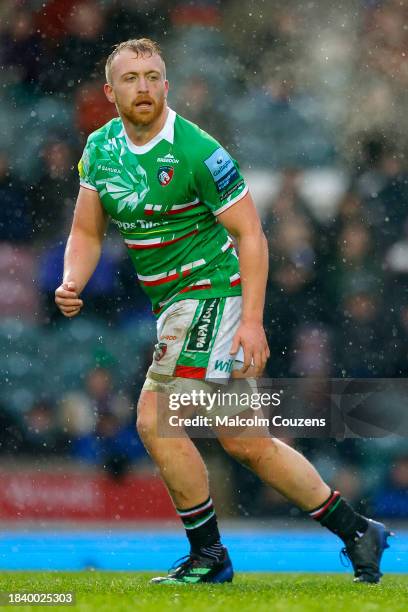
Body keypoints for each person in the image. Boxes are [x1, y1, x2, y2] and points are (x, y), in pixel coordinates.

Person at [55, 38, 392, 585]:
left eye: (154, 76)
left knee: (154, 419)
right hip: (172, 306)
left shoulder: (197, 150)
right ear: (110, 91)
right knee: (246, 442)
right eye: (132, 78)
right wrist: (73, 278)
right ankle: (357, 530)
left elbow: (252, 235)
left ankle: (209, 556)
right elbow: (87, 230)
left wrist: (253, 321)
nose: (144, 87)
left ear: (166, 83)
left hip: (211, 293)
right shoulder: (99, 148)